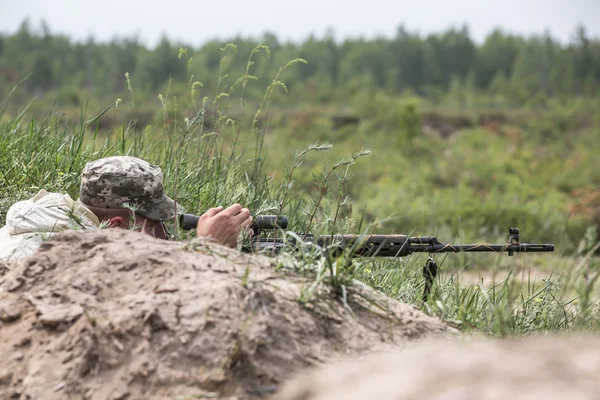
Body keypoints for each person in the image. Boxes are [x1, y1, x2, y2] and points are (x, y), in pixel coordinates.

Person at [0, 156, 253, 261]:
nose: (166, 235)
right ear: (117, 226)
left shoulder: (51, 224)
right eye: (156, 224)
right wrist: (207, 247)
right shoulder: (55, 256)